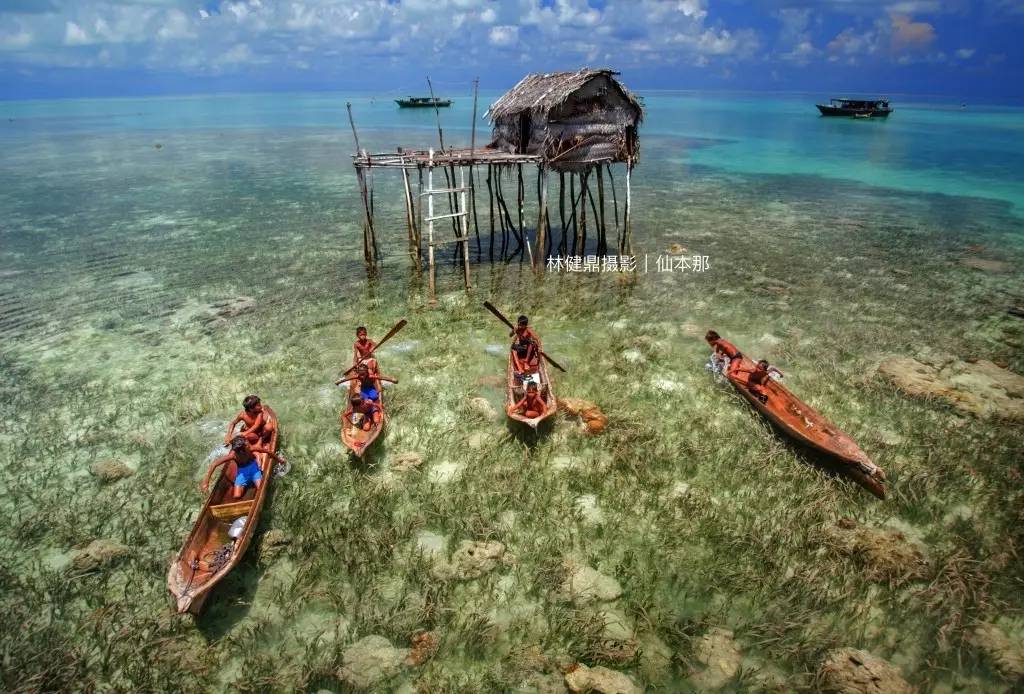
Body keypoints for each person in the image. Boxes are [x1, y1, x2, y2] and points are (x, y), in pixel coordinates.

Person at [201, 436, 287, 499]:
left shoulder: (250, 448)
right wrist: (206, 482)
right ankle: (248, 483)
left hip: (253, 469)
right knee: (237, 495)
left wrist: (279, 459)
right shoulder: (233, 455)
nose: (249, 445)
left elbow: (267, 451)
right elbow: (214, 464)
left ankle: (255, 479)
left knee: (261, 489)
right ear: (240, 450)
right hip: (242, 472)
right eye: (247, 445)